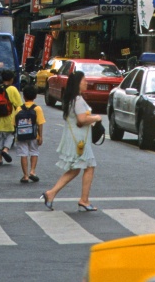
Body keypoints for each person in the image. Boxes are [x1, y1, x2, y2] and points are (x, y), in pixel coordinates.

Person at [40, 71, 102, 212]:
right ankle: (84, 200)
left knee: (74, 169)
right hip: (80, 141)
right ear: (77, 83)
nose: (86, 82)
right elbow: (81, 120)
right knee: (89, 167)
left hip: (76, 139)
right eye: (84, 80)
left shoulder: (72, 99)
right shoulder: (78, 100)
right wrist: (96, 118)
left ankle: (51, 193)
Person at [17, 84, 46, 183]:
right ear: (35, 96)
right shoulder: (37, 109)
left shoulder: (19, 109)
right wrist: (40, 136)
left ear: (23, 96)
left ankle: (25, 175)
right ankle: (32, 171)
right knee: (34, 152)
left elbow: (14, 123)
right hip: (33, 135)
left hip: (21, 135)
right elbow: (40, 123)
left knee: (23, 154)